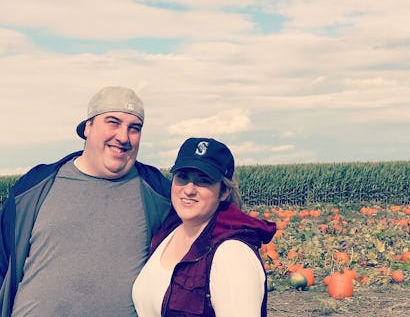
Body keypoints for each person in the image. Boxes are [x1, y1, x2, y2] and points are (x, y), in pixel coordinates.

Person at [0, 86, 171, 317]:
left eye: (134, 128)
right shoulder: (34, 187)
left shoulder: (159, 193)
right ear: (88, 127)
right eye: (113, 122)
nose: (123, 136)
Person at [132, 137, 276, 317]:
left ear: (224, 191)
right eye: (182, 177)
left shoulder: (231, 254)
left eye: (203, 180)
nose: (189, 189)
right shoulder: (168, 231)